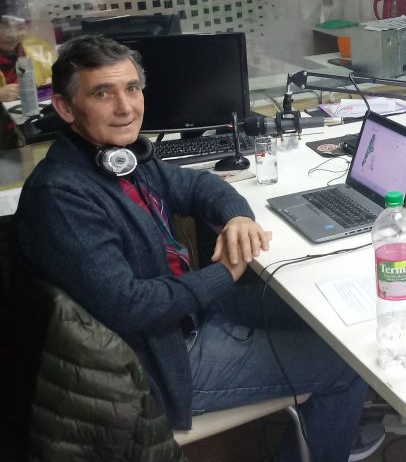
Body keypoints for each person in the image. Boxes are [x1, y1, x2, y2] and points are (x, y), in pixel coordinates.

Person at [13, 35, 380, 462]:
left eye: (132, 88)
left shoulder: (119, 157)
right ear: (64, 107)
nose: (125, 108)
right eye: (102, 93)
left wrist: (237, 217)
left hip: (190, 315)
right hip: (160, 360)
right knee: (349, 366)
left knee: (325, 312)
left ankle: (331, 429)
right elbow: (130, 306)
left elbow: (198, 184)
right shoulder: (62, 196)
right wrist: (223, 274)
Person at [0, 0, 56, 103]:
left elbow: (67, 77)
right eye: (4, 26)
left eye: (20, 27)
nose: (12, 35)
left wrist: (57, 83)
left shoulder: (40, 49)